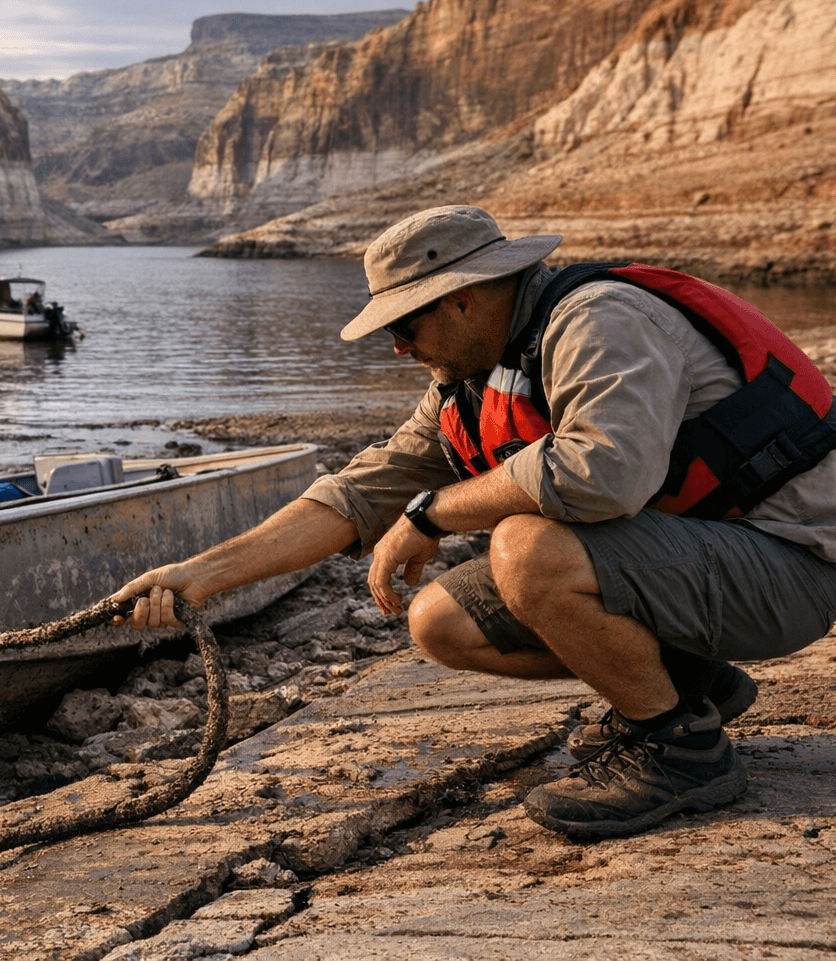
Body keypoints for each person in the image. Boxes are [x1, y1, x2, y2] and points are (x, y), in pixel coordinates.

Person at [114, 204, 836, 840]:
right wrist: (196, 579)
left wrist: (432, 513)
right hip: (703, 565)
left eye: (405, 324)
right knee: (439, 620)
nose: (397, 347)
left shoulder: (601, 319)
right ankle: (693, 683)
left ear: (463, 299)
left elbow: (604, 475)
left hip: (792, 567)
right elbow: (355, 494)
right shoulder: (467, 382)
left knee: (526, 549)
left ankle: (681, 750)